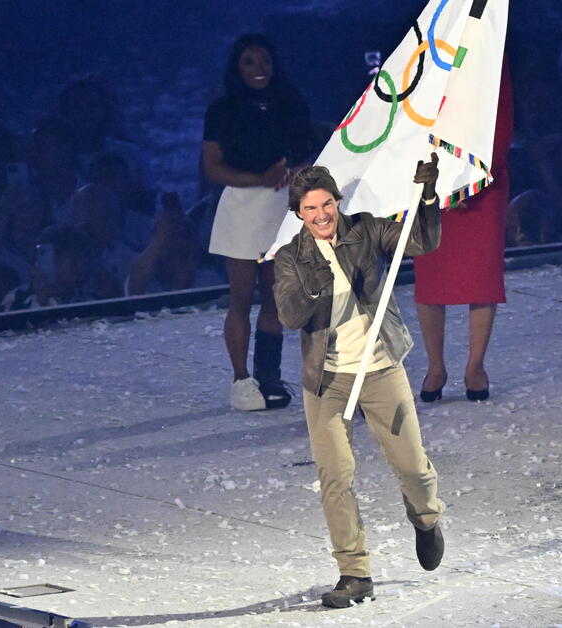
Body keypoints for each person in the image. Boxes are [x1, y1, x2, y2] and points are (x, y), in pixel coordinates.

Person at [273, 159, 445, 609]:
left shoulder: (365, 231)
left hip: (381, 367)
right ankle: (354, 572)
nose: (322, 215)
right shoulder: (292, 257)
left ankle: (425, 518)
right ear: (299, 214)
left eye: (327, 204)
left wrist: (426, 196)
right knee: (335, 476)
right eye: (311, 209)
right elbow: (289, 315)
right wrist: (315, 282)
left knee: (412, 466)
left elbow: (421, 241)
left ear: (337, 202)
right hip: (327, 380)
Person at [203, 33, 314, 411]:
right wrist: (259, 179)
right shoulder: (223, 109)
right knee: (240, 297)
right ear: (237, 67)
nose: (258, 69)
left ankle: (268, 376)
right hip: (242, 206)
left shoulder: (290, 101)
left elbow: (306, 151)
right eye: (249, 62)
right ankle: (240, 380)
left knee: (274, 297)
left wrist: (292, 174)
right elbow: (213, 166)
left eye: (264, 61)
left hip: (281, 206)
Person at [412, 63, 513, 402]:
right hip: (431, 177)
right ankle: (435, 366)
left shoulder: (491, 54)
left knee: (481, 276)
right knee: (430, 275)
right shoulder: (432, 47)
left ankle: (475, 366)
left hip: (482, 182)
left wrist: (469, 183)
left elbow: (500, 123)